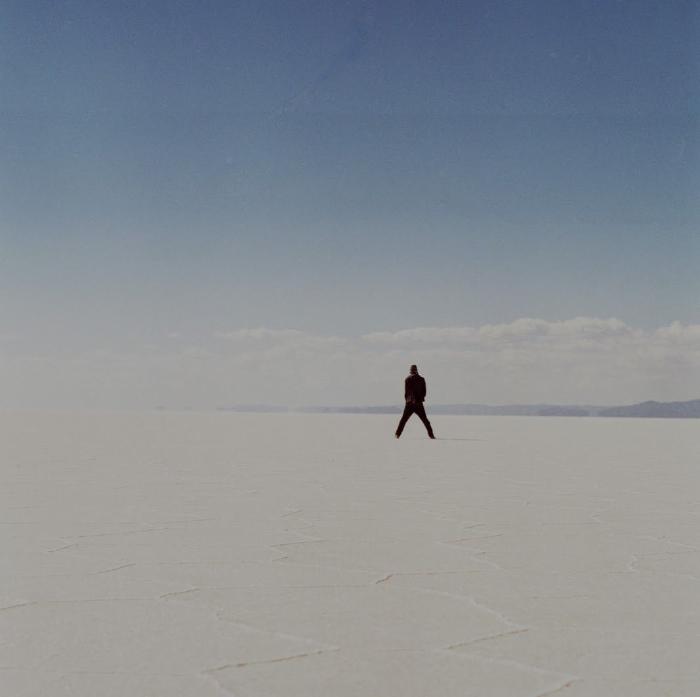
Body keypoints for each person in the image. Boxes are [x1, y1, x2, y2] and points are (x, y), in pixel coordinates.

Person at [395, 365, 435, 439]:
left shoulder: (407, 379)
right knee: (425, 420)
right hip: (418, 403)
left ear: (411, 371)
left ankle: (397, 434)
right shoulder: (421, 379)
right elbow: (424, 392)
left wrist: (408, 401)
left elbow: (406, 393)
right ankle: (431, 435)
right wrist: (420, 399)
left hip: (409, 403)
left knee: (403, 420)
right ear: (416, 370)